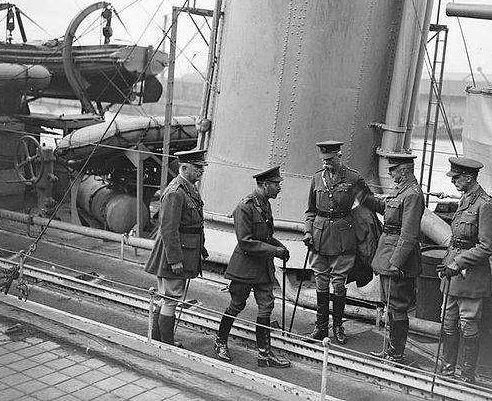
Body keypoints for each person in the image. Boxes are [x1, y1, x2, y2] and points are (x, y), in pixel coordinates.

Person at [214, 166, 291, 368]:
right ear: (265, 185)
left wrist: (280, 246)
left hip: (262, 267)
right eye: (276, 185)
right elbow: (246, 241)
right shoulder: (244, 207)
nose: (279, 188)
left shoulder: (264, 204)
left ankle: (264, 354)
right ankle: (220, 341)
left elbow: (264, 236)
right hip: (245, 267)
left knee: (266, 306)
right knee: (237, 304)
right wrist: (275, 251)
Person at [303, 140, 371, 344]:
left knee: (339, 284)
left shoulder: (353, 178)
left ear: (339, 156)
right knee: (321, 282)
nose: (326, 164)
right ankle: (321, 327)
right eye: (324, 160)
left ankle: (338, 326)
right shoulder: (316, 178)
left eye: (330, 160)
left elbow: (369, 201)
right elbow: (310, 211)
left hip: (343, 238)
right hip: (319, 237)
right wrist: (308, 232)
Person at [437, 157, 492, 383]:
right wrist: (447, 262)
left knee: (468, 323)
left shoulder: (485, 205)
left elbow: (486, 246)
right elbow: (455, 240)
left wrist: (459, 262)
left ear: (468, 177)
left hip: (470, 276)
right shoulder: (465, 200)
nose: (453, 182)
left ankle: (467, 376)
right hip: (452, 275)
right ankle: (447, 370)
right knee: (448, 321)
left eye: (456, 178)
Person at [363, 152, 424, 363]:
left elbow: (408, 234)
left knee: (397, 306)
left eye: (393, 170)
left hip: (398, 259)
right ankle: (391, 349)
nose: (389, 174)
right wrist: (363, 197)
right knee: (390, 304)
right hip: (387, 252)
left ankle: (396, 353)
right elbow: (386, 208)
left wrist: (396, 263)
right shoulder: (401, 190)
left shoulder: (413, 194)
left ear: (404, 170)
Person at [144, 148, 208, 346]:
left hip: (182, 250)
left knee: (166, 297)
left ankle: (157, 338)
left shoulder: (189, 188)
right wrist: (175, 260)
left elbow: (195, 224)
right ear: (184, 167)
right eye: (197, 168)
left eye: (202, 168)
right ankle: (167, 342)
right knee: (171, 298)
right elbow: (168, 229)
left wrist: (201, 248)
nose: (201, 171)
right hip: (174, 253)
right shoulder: (175, 192)